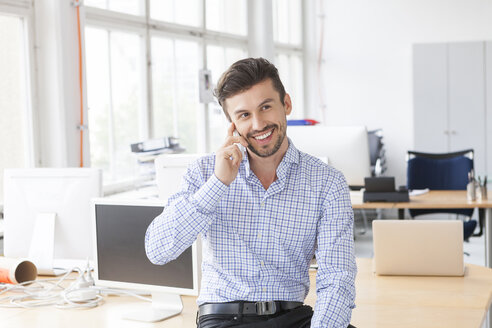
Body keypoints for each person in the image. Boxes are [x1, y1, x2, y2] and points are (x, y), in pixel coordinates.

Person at [145, 57, 357, 328]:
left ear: (286, 104)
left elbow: (337, 278)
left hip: (293, 317)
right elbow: (158, 250)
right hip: (224, 318)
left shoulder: (327, 183)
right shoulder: (204, 172)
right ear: (232, 123)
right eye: (244, 115)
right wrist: (218, 184)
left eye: (266, 107)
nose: (258, 124)